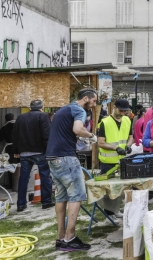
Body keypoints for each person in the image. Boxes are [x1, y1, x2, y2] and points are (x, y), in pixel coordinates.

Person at [46, 88, 98, 252]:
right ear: (85, 99)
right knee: (76, 197)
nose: (94, 105)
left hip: (52, 158)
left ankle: (60, 238)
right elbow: (77, 129)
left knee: (61, 197)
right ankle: (70, 238)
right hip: (67, 158)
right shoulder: (79, 110)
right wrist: (91, 136)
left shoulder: (63, 109)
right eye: (94, 101)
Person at [12, 100, 53, 212]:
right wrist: (49, 150)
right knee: (45, 176)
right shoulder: (43, 116)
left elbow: (15, 134)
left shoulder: (21, 117)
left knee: (23, 178)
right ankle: (46, 201)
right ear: (42, 107)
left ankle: (21, 204)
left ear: (30, 107)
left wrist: (16, 150)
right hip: (40, 152)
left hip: (24, 152)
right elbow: (46, 134)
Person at [97, 99, 134, 219]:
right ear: (114, 107)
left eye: (125, 111)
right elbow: (100, 143)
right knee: (108, 190)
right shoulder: (105, 122)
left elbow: (131, 137)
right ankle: (108, 213)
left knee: (120, 190)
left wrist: (128, 146)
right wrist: (115, 148)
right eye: (121, 110)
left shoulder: (127, 120)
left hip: (122, 160)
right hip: (107, 162)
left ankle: (116, 210)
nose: (123, 113)